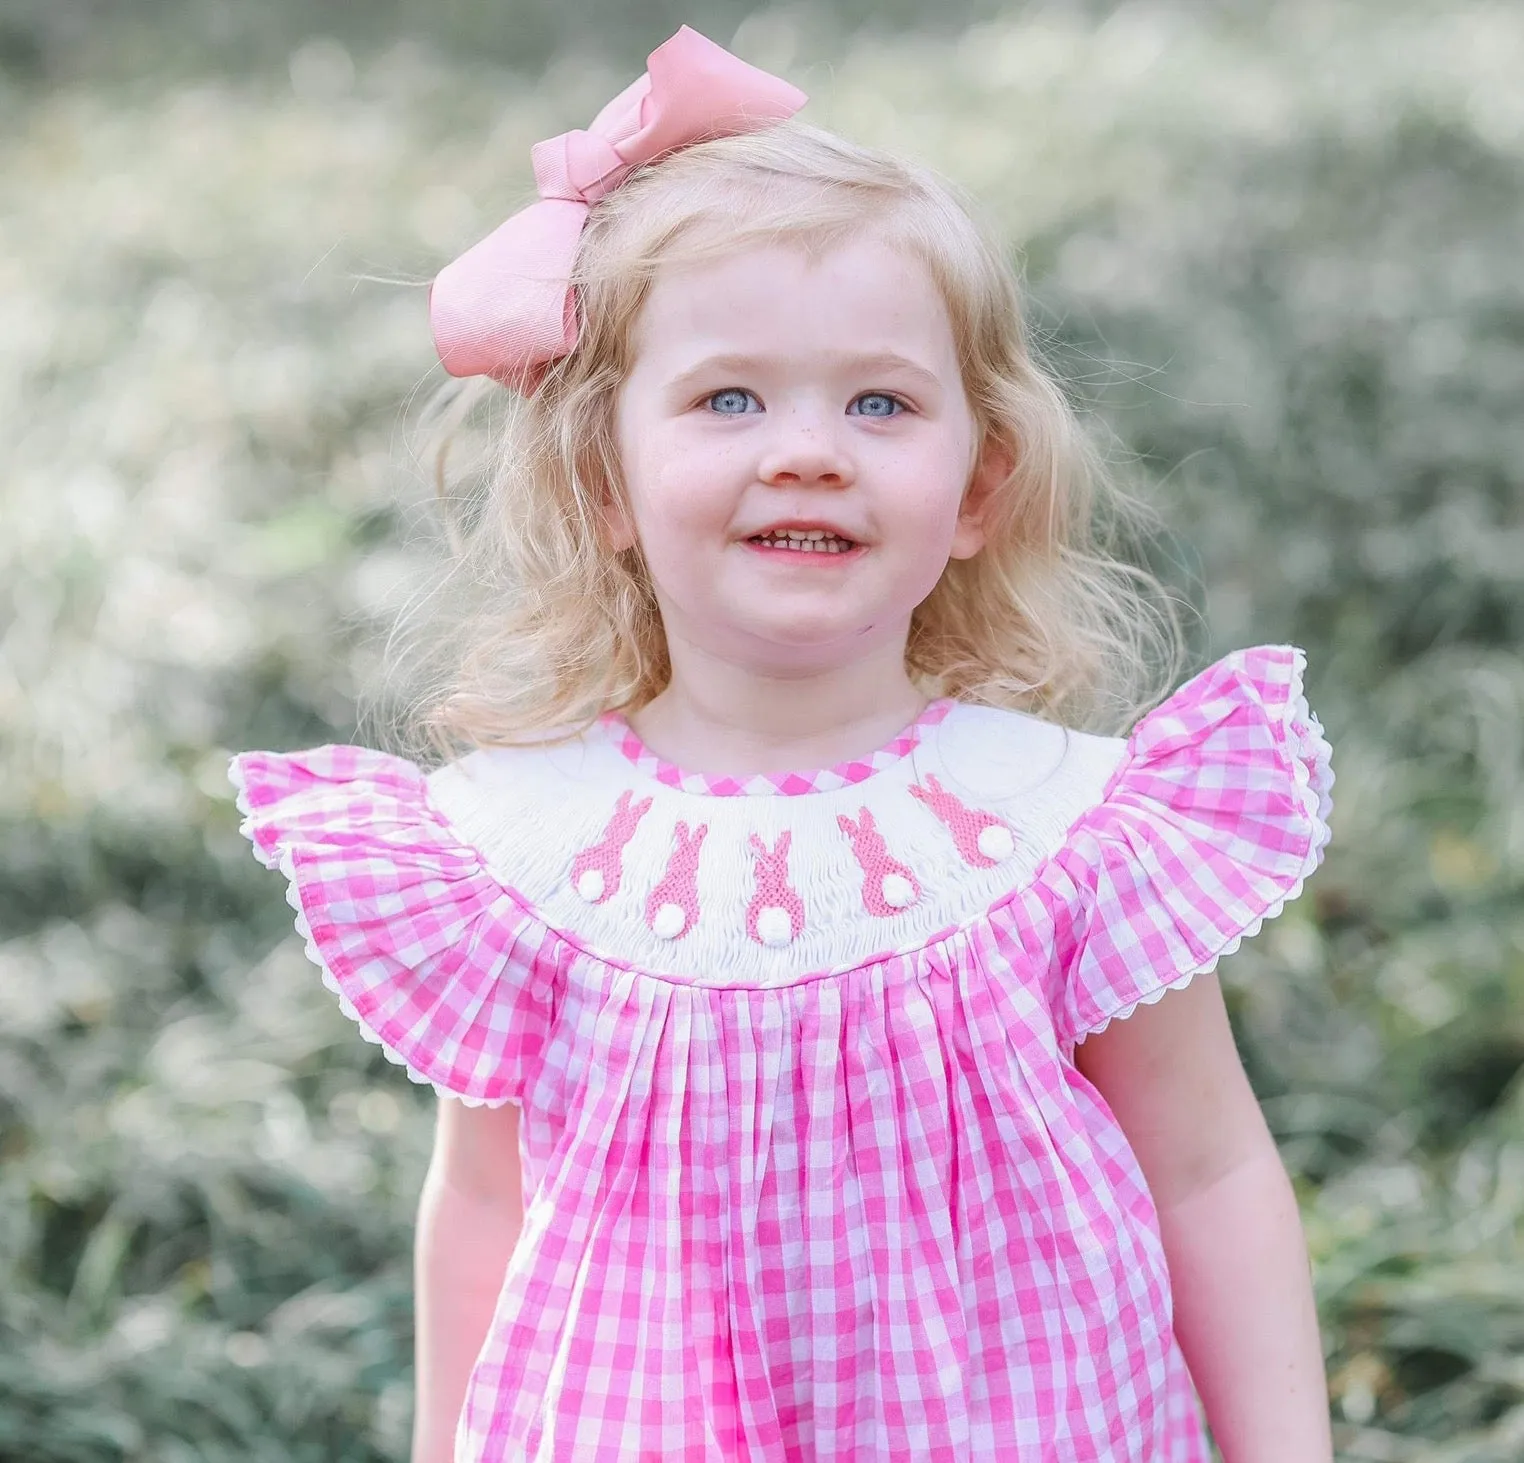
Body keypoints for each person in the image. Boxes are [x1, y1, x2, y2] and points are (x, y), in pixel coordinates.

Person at [229, 25, 1335, 1463]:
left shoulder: (1061, 827)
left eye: (880, 401)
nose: (809, 447)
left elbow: (1204, 1168)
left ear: (979, 484)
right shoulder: (522, 856)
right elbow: (485, 1206)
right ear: (604, 480)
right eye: (729, 397)